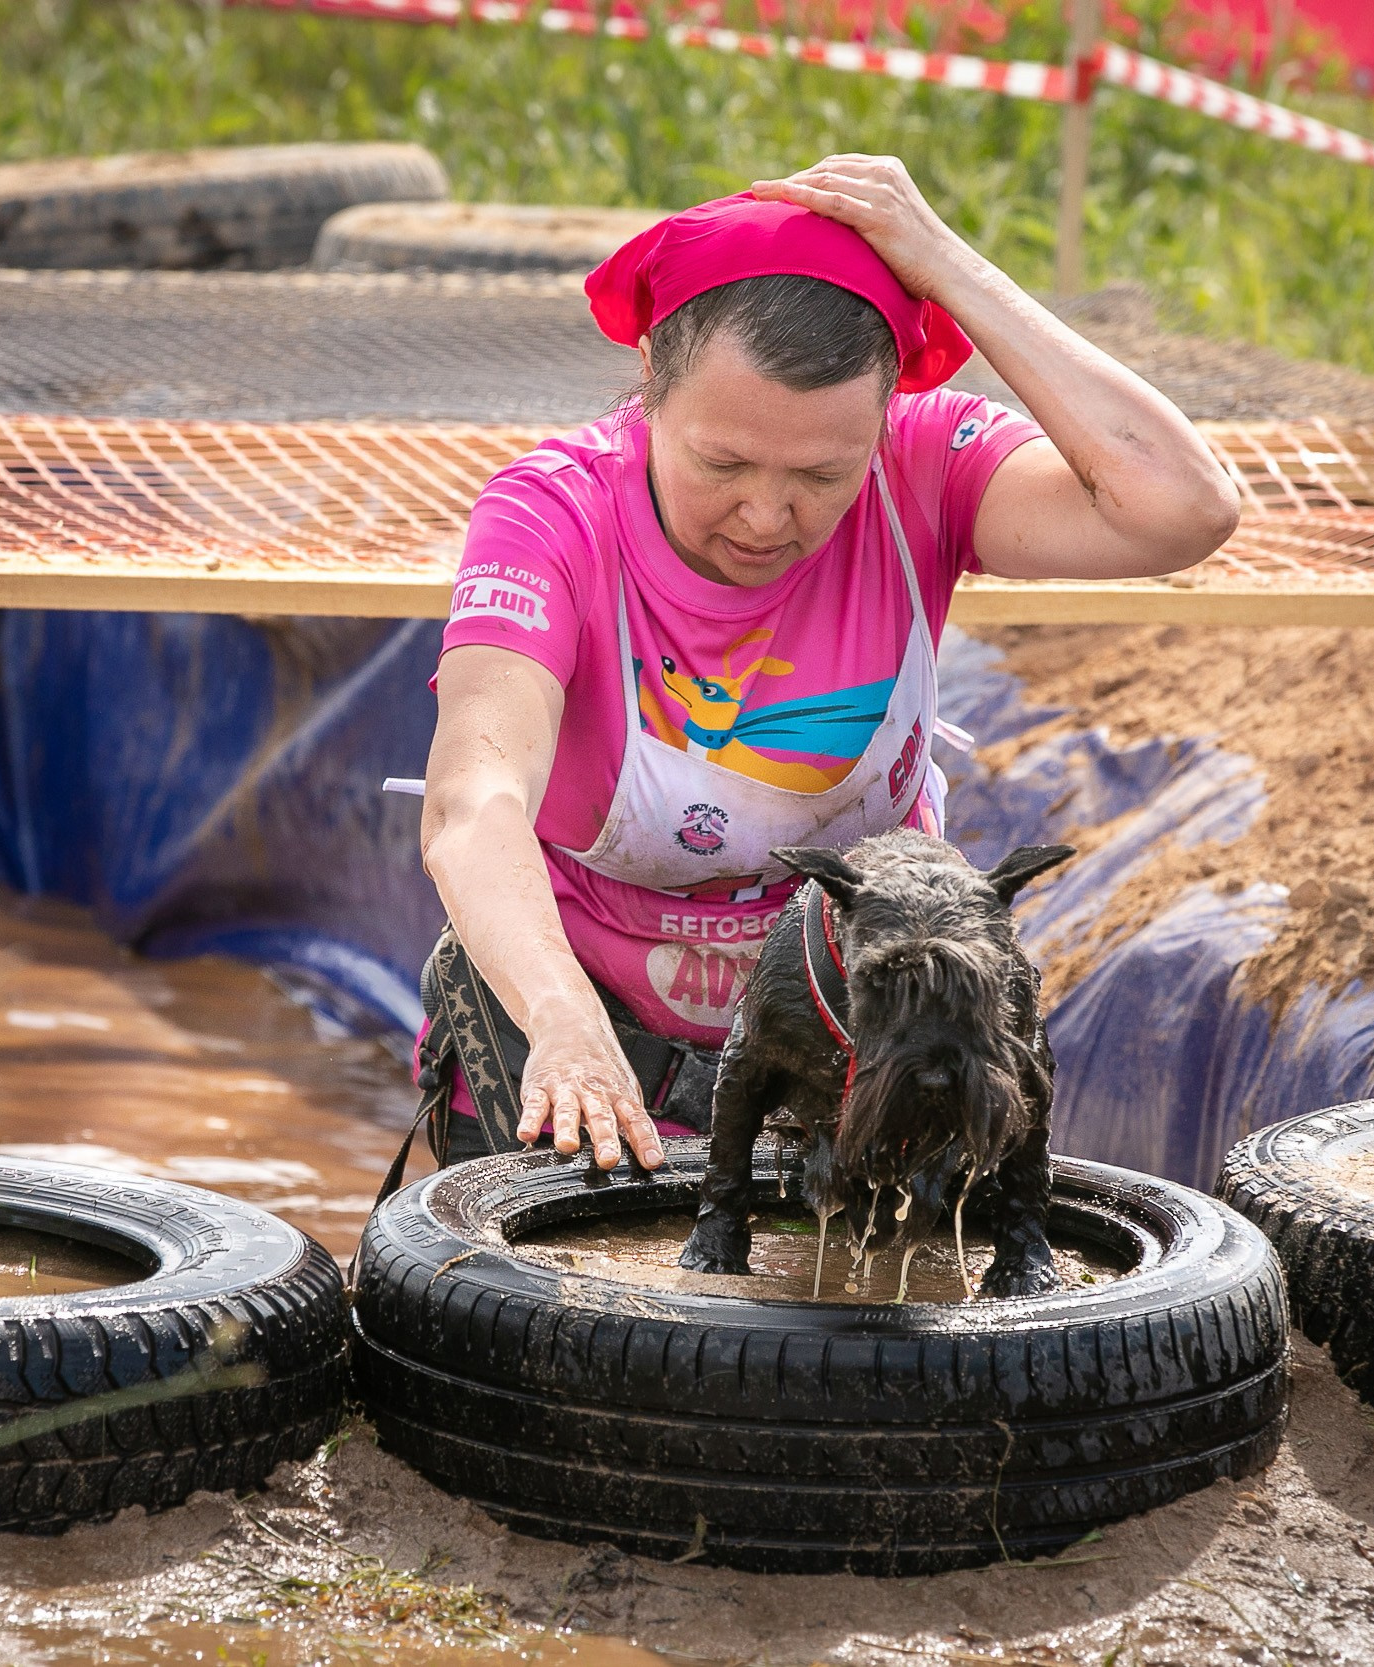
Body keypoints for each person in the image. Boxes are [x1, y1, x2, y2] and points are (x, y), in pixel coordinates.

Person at [414, 154, 1240, 1173]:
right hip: (582, 1046)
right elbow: (473, 800)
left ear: (882, 423)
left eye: (820, 474)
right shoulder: (549, 515)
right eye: (720, 464)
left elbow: (1184, 508)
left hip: (852, 1059)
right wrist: (561, 1022)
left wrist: (947, 268)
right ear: (650, 392)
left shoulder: (928, 470)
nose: (766, 516)